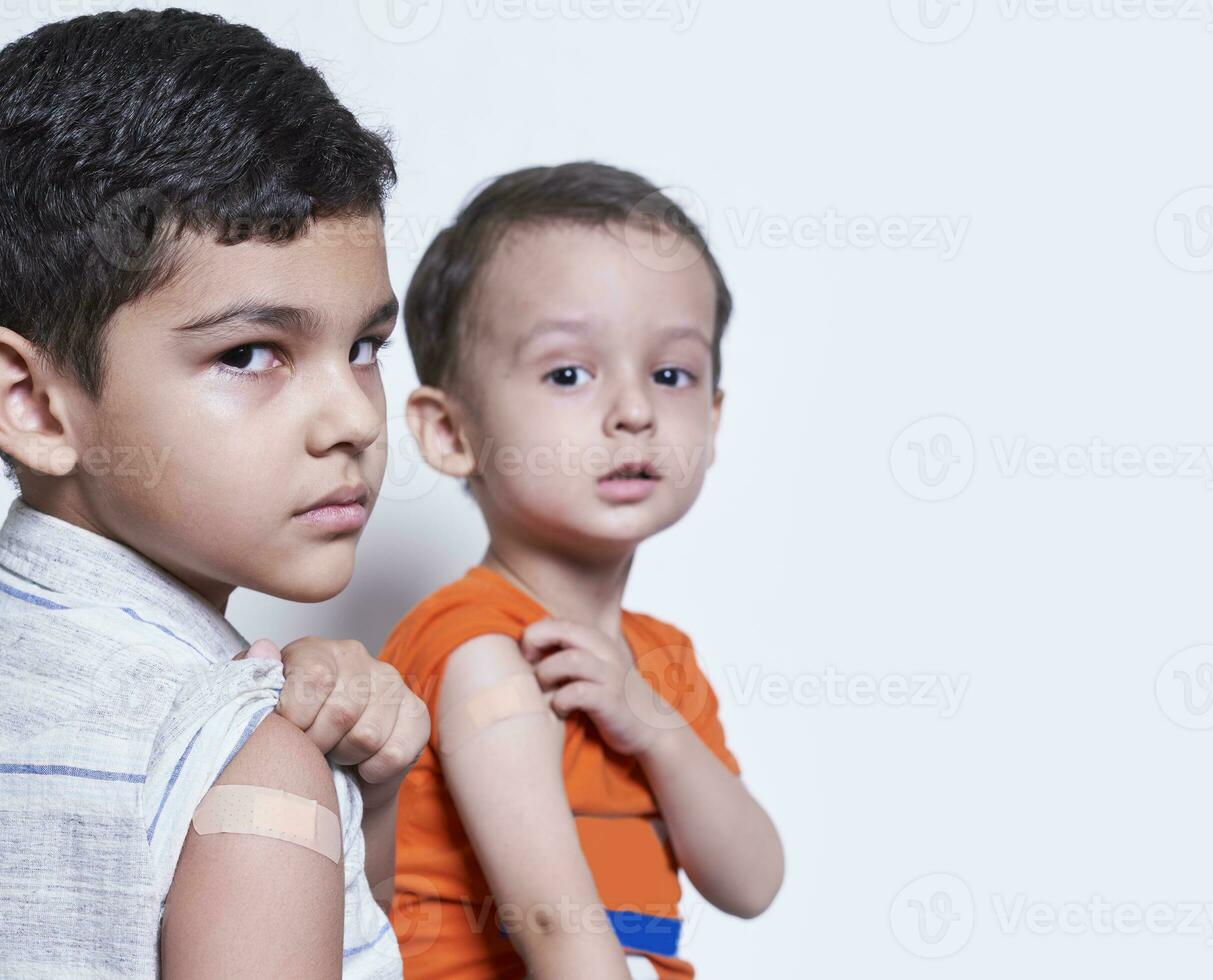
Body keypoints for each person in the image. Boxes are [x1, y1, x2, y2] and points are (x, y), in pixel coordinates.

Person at [0, 10, 428, 976]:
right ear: (31, 400)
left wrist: (369, 802)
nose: (353, 420)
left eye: (363, 348)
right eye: (249, 353)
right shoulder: (242, 754)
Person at [381, 161, 784, 978]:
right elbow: (552, 924)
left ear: (712, 418)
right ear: (450, 431)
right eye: (569, 373)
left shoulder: (662, 662)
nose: (635, 411)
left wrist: (656, 730)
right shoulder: (479, 648)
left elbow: (752, 882)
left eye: (671, 375)